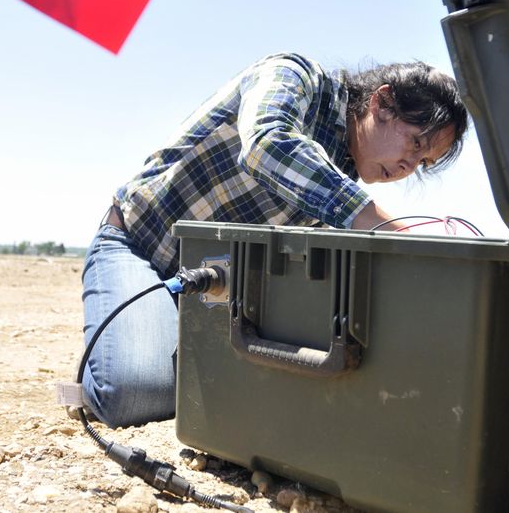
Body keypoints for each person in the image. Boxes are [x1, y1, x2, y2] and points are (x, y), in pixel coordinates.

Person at [80, 52, 468, 427]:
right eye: (415, 144)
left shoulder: (344, 177)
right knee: (134, 394)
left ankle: (157, 341)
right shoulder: (293, 75)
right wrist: (390, 229)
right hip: (138, 247)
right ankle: (109, 361)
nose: (407, 168)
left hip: (208, 289)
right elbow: (268, 147)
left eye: (422, 164)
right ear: (382, 102)